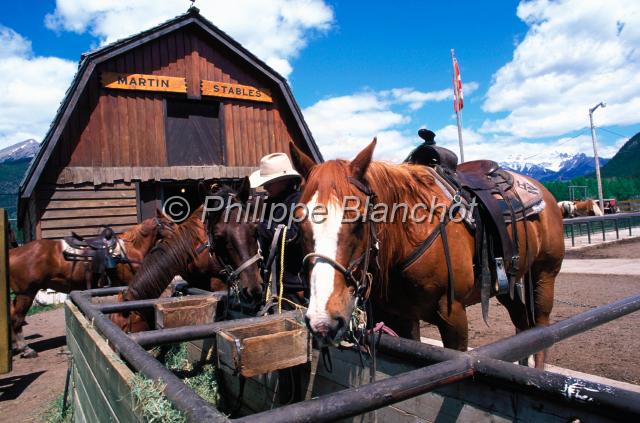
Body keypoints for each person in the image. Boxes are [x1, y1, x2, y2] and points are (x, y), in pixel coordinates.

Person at [249, 153, 308, 307]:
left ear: (284, 182)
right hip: (271, 281)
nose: (265, 186)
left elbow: (294, 235)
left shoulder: (298, 201)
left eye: (270, 182)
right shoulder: (270, 204)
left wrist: (261, 226)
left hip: (293, 286)